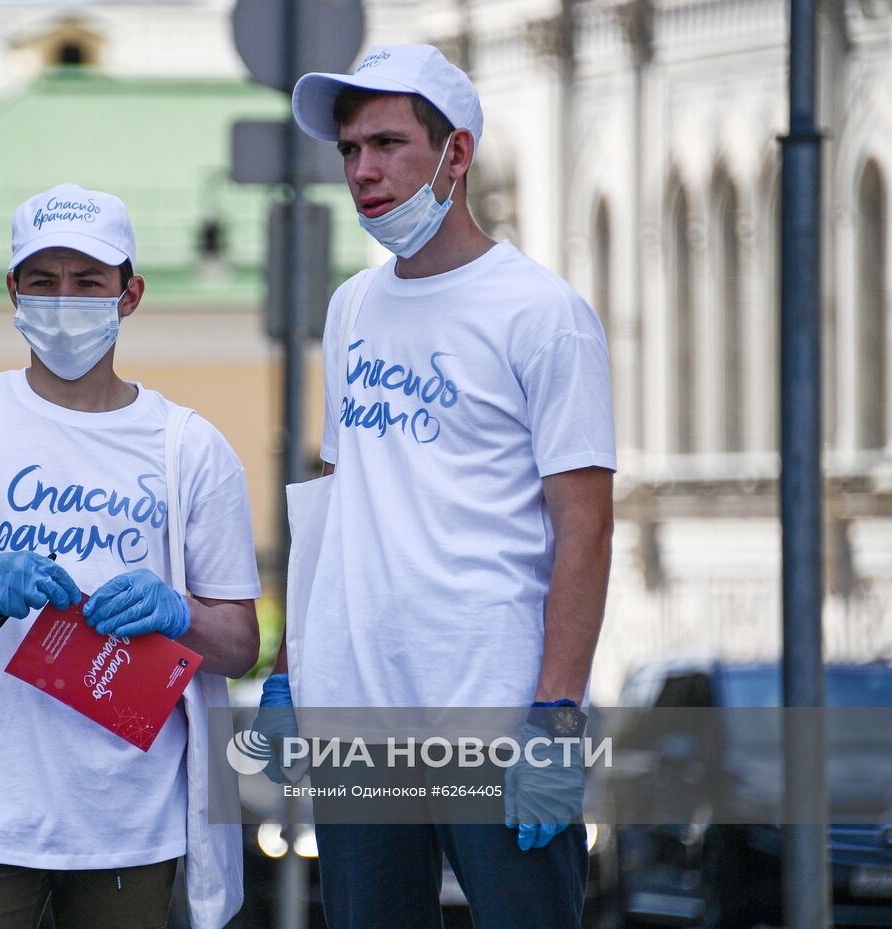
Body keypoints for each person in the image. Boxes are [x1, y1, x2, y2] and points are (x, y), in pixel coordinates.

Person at [0, 183, 261, 929]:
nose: (64, 300)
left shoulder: (190, 446)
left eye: (88, 281)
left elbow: (241, 645)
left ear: (129, 295)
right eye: (43, 280)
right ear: (13, 290)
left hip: (133, 824)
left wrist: (178, 609)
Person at [257, 44, 616, 929]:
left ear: (455, 153)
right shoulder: (351, 308)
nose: (364, 171)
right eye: (349, 151)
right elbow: (337, 502)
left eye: (386, 144)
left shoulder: (541, 312)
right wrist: (291, 667)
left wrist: (558, 712)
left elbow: (586, 525)